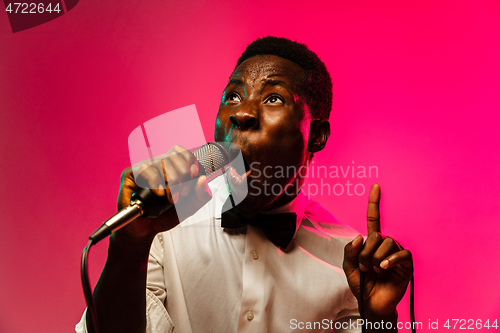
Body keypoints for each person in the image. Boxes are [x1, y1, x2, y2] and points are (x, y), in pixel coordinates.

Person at [76, 36, 413, 333]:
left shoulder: (350, 265)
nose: (242, 114)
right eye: (233, 97)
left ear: (317, 135)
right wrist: (130, 244)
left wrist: (379, 323)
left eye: (274, 99)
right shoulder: (162, 229)